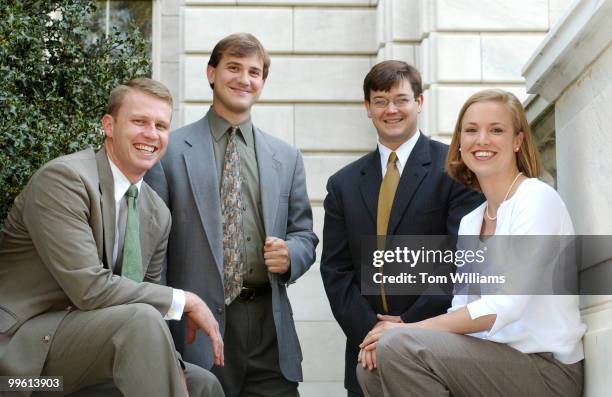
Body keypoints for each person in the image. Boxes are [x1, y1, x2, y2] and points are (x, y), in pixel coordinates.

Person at [0, 78, 224, 397]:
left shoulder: (156, 213)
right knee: (141, 320)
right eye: (139, 121)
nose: (151, 134)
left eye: (161, 125)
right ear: (109, 125)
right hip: (21, 364)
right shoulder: (65, 181)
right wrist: (183, 300)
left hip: (91, 352)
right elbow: (89, 290)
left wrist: (173, 367)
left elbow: (142, 295)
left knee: (203, 384)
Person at [356, 89, 586, 397]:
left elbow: (507, 304)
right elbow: (462, 309)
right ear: (460, 142)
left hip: (545, 370)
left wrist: (409, 330)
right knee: (372, 366)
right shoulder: (472, 219)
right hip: (489, 362)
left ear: (517, 141)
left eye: (496, 130)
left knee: (398, 346)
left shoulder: (535, 199)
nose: (482, 140)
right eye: (472, 130)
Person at [145, 33, 318, 397]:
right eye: (234, 68)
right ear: (211, 73)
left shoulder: (286, 157)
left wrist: (291, 255)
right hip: (195, 329)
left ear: (262, 83)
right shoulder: (169, 152)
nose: (244, 79)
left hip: (270, 328)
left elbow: (304, 233)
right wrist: (160, 336)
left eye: (254, 72)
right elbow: (153, 255)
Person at [320, 60, 483, 396]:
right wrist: (372, 332)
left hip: (433, 345)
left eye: (401, 99)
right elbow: (336, 270)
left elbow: (461, 259)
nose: (390, 110)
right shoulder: (343, 184)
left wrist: (408, 326)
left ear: (419, 103)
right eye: (380, 101)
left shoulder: (455, 169)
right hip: (367, 352)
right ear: (367, 108)